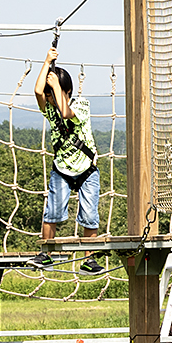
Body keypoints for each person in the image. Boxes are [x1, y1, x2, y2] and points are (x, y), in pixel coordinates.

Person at [31, 44, 105, 274]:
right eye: (50, 96)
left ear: (67, 92)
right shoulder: (50, 108)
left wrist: (57, 87)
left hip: (86, 169)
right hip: (62, 168)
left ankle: (89, 258)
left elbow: (66, 112)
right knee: (52, 211)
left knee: (90, 214)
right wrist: (46, 63)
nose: (50, 100)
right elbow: (37, 92)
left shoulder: (81, 105)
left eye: (54, 95)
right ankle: (46, 253)